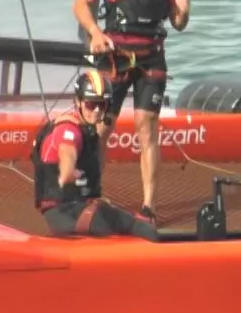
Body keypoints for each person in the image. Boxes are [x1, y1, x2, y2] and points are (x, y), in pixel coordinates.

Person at [73, 0, 190, 223]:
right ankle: (91, 195)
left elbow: (177, 24)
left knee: (147, 126)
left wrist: (184, 10)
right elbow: (80, 3)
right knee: (102, 127)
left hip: (152, 58)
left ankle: (149, 206)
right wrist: (95, 33)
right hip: (116, 58)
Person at [32, 69, 160, 240]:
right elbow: (67, 151)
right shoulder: (69, 129)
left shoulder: (86, 129)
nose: (97, 110)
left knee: (128, 219)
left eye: (102, 104)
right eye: (91, 104)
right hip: (65, 215)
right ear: (77, 102)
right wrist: (67, 171)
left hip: (75, 210)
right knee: (145, 229)